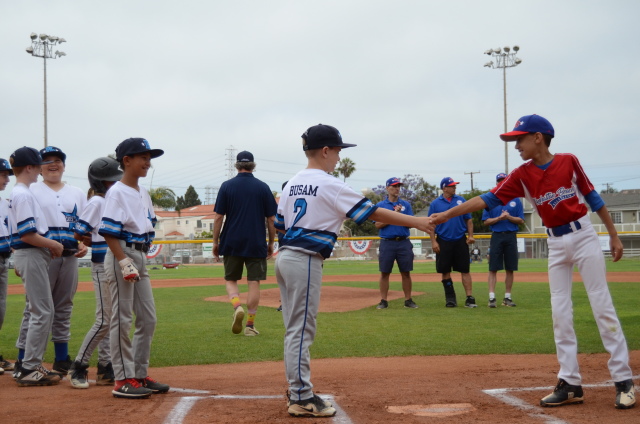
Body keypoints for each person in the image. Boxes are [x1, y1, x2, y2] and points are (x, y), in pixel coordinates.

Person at [430, 114, 635, 409]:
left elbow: (593, 198)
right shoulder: (521, 174)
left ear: (538, 137)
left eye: (520, 139)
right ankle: (570, 383)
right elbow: (486, 199)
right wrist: (446, 215)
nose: (516, 146)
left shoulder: (568, 161)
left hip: (583, 236)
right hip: (555, 242)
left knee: (602, 306)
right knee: (560, 313)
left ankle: (623, 380)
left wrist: (613, 235)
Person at [275, 124, 434, 417]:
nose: (339, 157)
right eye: (337, 151)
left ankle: (297, 389)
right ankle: (301, 396)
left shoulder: (292, 183)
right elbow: (371, 213)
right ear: (325, 151)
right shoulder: (329, 184)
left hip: (285, 257)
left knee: (293, 328)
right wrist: (418, 222)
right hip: (304, 259)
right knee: (301, 329)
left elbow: (280, 226)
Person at [99, 138, 170, 399]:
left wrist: (137, 258)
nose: (148, 162)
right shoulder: (116, 192)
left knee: (148, 318)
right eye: (143, 157)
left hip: (139, 255)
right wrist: (123, 260)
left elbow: (148, 225)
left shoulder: (143, 192)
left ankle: (139, 374)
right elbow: (109, 231)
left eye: (149, 158)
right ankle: (121, 379)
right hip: (122, 253)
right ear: (126, 160)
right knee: (122, 318)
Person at [20, 146, 87, 377]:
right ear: (39, 168)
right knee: (34, 309)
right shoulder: (31, 190)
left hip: (69, 256)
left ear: (64, 166)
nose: (53, 164)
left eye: (57, 160)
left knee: (64, 307)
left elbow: (83, 227)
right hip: (42, 255)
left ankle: (61, 358)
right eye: (47, 161)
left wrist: (83, 243)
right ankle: (22, 359)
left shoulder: (77, 192)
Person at [8, 147, 64, 386]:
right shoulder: (23, 194)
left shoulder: (21, 192)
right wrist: (54, 244)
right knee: (42, 311)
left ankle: (30, 365)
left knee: (40, 310)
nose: (42, 169)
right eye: (39, 165)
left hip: (30, 254)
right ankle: (30, 367)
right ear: (30, 167)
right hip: (30, 253)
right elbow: (27, 234)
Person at [67, 157, 123, 389]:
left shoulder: (112, 201)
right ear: (100, 182)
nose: (116, 183)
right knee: (104, 320)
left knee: (112, 320)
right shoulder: (98, 202)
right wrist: (88, 239)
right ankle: (78, 366)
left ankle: (105, 367)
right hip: (101, 265)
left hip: (114, 263)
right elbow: (78, 231)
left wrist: (93, 237)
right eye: (111, 180)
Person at [213, 151, 277, 336]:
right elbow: (271, 219)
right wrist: (271, 242)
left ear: (237, 165)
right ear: (253, 165)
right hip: (256, 241)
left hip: (231, 240)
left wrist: (215, 241)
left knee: (231, 279)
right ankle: (249, 325)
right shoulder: (263, 187)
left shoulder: (227, 186)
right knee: (254, 281)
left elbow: (218, 217)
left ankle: (237, 307)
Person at [427, 177, 477, 308]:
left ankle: (469, 298)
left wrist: (470, 235)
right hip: (443, 240)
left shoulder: (461, 200)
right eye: (452, 186)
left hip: (460, 239)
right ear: (444, 188)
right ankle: (450, 298)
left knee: (465, 270)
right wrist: (433, 241)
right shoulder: (435, 204)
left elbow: (468, 219)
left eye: (455, 186)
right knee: (445, 271)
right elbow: (430, 224)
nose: (454, 188)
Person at [482, 172, 524, 308]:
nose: (502, 182)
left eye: (504, 180)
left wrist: (509, 217)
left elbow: (521, 220)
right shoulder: (490, 200)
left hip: (511, 235)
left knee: (510, 268)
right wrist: (499, 218)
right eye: (500, 180)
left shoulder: (515, 199)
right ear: (496, 183)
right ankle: (491, 297)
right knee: (493, 268)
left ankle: (507, 297)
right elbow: (486, 221)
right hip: (497, 235)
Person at [374, 177, 417, 309]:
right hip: (387, 242)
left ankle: (408, 300)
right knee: (385, 272)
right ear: (387, 188)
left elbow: (410, 223)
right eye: (394, 186)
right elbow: (378, 225)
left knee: (406, 272)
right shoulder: (381, 206)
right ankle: (383, 300)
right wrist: (393, 214)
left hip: (403, 242)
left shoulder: (406, 205)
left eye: (398, 186)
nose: (397, 188)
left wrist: (400, 215)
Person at [0, 158, 15, 374]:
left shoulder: (5, 203)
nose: (7, 179)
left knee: (1, 310)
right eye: (3, 175)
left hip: (4, 260)